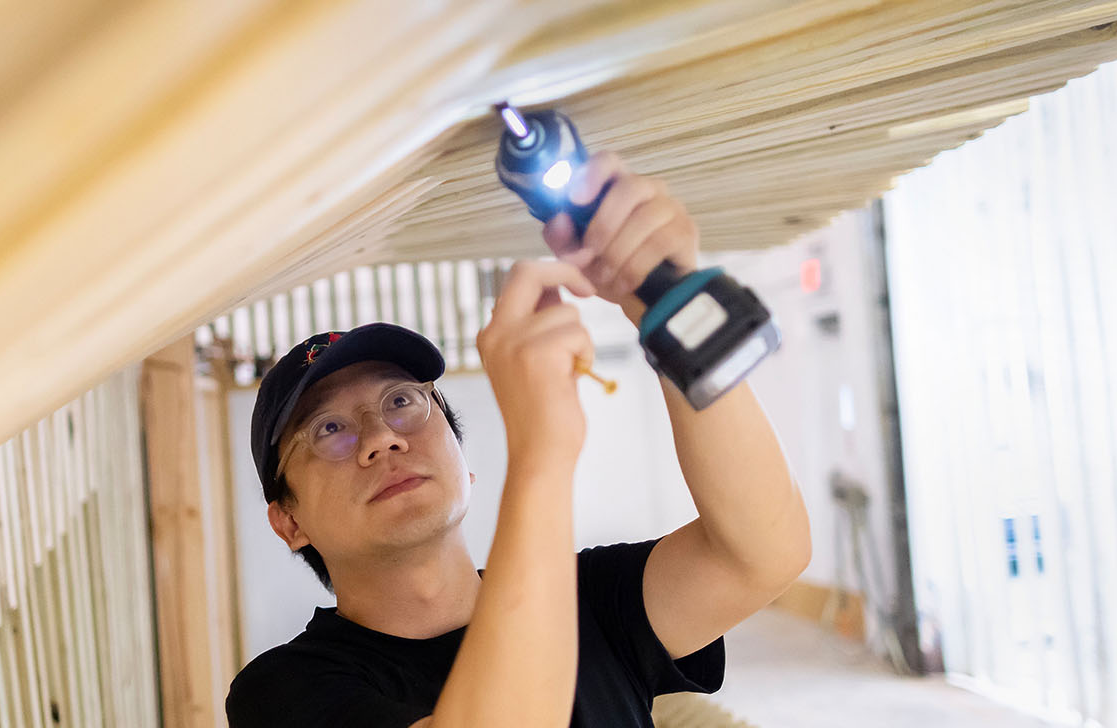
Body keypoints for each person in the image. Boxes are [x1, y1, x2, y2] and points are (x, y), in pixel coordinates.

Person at [225, 153, 811, 727]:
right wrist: (542, 454)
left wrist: (662, 306)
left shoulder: (587, 602)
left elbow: (761, 553)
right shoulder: (281, 693)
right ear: (289, 523)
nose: (381, 438)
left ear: (464, 465)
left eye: (402, 402)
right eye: (328, 429)